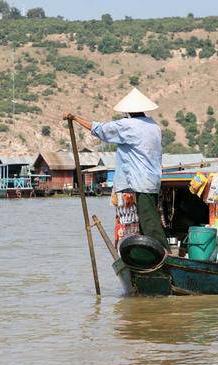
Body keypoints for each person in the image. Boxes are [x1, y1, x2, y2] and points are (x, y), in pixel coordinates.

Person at [64, 87, 168, 249]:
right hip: (152, 180)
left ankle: (163, 253)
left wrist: (76, 118)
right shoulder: (153, 125)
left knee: (149, 222)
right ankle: (150, 252)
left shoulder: (128, 126)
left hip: (141, 181)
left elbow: (100, 130)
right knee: (147, 219)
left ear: (128, 111)